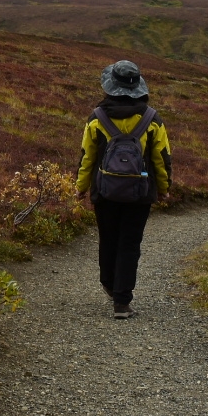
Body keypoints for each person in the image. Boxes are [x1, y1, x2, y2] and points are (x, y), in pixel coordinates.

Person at [75, 60, 172, 319]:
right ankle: (122, 302)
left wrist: (80, 186)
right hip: (140, 194)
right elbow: (162, 159)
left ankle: (108, 283)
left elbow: (87, 157)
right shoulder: (153, 119)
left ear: (110, 86)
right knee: (130, 243)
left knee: (108, 238)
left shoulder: (97, 118)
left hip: (104, 192)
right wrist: (163, 189)